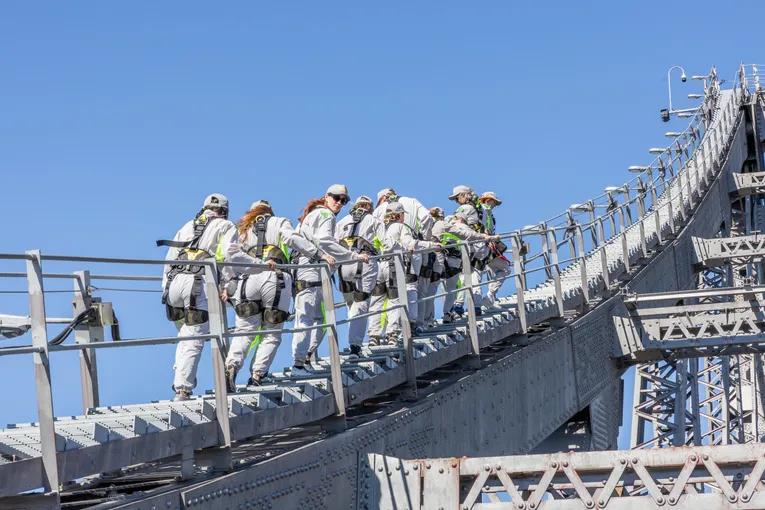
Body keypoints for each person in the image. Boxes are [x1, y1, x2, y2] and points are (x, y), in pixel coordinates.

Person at [221, 200, 323, 391]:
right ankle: (258, 375)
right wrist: (317, 254)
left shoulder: (242, 229)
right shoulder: (279, 222)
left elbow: (230, 256)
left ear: (251, 212)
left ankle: (232, 365)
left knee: (245, 330)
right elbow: (292, 239)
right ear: (270, 212)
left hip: (248, 278)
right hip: (276, 279)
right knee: (271, 333)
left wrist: (228, 285)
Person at [157, 194, 237, 401]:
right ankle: (182, 389)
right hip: (198, 285)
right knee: (195, 337)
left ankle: (181, 373)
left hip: (174, 283)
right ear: (225, 212)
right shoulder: (226, 226)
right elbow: (229, 256)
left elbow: (169, 258)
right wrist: (229, 286)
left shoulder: (188, 226)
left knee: (186, 334)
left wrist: (165, 289)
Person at [292, 185, 369, 375]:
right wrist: (351, 256)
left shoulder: (310, 215)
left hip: (307, 269)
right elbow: (325, 240)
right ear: (327, 196)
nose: (339, 203)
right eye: (336, 198)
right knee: (307, 318)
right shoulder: (325, 215)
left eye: (344, 200)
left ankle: (305, 358)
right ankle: (299, 364)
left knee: (320, 318)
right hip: (312, 270)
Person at [368, 202, 440, 345]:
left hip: (378, 265)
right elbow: (411, 244)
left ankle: (374, 336)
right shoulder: (401, 227)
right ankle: (396, 332)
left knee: (377, 302)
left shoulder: (379, 228)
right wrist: (432, 245)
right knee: (398, 298)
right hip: (394, 266)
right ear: (400, 215)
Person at [373, 188, 434, 328]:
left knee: (388, 294)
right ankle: (413, 323)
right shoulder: (411, 201)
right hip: (412, 250)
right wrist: (425, 238)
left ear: (381, 198)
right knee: (412, 287)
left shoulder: (379, 210)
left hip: (385, 257)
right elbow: (427, 217)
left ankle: (392, 328)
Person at [335, 196, 385, 358]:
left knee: (351, 304)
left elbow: (333, 243)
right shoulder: (374, 220)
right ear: (370, 207)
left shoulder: (343, 221)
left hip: (343, 266)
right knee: (362, 303)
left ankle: (352, 336)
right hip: (365, 263)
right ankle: (355, 346)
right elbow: (387, 243)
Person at [437, 210, 497, 323]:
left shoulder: (444, 225)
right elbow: (472, 236)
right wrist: (488, 238)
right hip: (455, 260)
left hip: (439, 258)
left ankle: (431, 319)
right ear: (463, 220)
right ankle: (449, 312)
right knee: (453, 286)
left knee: (439, 288)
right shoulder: (462, 227)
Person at [448, 185, 488, 318]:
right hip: (481, 244)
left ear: (464, 195)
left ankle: (458, 305)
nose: (456, 201)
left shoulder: (465, 208)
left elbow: (453, 221)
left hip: (469, 243)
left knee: (463, 274)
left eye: (457, 198)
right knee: (476, 276)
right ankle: (476, 306)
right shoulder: (482, 208)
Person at [477, 191, 510, 309]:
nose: (495, 204)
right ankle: (489, 296)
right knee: (505, 269)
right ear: (487, 199)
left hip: (485, 244)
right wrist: (489, 240)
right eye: (494, 201)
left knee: (492, 271)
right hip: (486, 244)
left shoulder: (486, 212)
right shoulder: (484, 209)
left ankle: (490, 299)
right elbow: (483, 228)